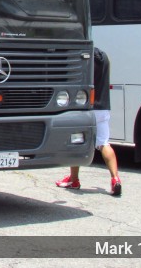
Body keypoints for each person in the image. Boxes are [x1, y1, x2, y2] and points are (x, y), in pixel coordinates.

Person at [55, 48, 122, 196]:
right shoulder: (104, 56)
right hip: (103, 107)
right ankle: (115, 178)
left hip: (86, 106)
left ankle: (74, 179)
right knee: (104, 143)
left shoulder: (84, 57)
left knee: (76, 141)